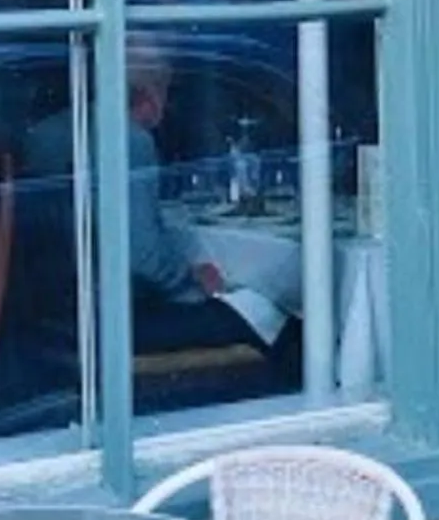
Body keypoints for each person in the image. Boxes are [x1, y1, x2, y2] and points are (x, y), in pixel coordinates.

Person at [21, 41, 286, 363]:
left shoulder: (46, 132)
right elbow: (142, 257)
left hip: (50, 315)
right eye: (166, 88)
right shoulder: (130, 141)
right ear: (150, 90)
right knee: (272, 313)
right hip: (118, 319)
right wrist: (191, 278)